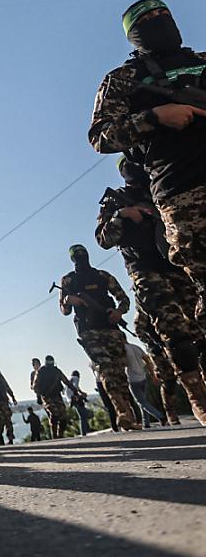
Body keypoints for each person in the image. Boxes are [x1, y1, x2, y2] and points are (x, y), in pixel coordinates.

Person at [88, 0, 206, 389]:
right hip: (183, 192)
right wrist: (156, 117)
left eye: (164, 14)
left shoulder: (202, 61)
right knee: (179, 324)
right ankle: (194, 388)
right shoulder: (124, 78)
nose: (160, 21)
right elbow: (101, 136)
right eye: (148, 19)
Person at [95, 155, 206, 425]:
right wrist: (122, 215)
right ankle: (197, 396)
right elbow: (103, 239)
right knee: (173, 330)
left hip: (176, 265)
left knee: (198, 328)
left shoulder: (160, 187)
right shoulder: (115, 200)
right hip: (144, 270)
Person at [57, 245, 140, 430]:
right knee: (106, 368)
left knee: (119, 371)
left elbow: (123, 299)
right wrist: (68, 300)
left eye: (82, 254)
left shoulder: (102, 276)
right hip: (88, 330)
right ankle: (122, 412)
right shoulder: (68, 280)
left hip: (110, 327)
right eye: (76, 256)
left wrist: (118, 312)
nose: (80, 259)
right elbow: (64, 310)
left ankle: (129, 415)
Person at [137, 312, 183, 425]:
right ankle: (171, 413)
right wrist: (153, 344)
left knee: (189, 375)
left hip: (176, 344)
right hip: (159, 352)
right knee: (168, 381)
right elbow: (139, 331)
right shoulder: (143, 312)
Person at [33, 355, 82, 438]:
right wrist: (39, 396)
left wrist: (74, 390)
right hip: (47, 396)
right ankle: (55, 436)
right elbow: (35, 385)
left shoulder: (56, 371)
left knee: (63, 416)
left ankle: (60, 435)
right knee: (54, 414)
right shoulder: (41, 371)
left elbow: (65, 381)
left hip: (57, 395)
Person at [125, 339, 164, 428]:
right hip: (143, 377)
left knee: (141, 402)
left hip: (132, 378)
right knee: (144, 401)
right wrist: (152, 374)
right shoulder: (136, 347)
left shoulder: (123, 349)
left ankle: (160, 416)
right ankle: (146, 422)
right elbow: (147, 360)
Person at [68, 371, 92, 436]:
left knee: (83, 413)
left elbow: (77, 388)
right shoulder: (76, 378)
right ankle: (84, 431)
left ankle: (86, 429)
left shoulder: (69, 380)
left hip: (70, 399)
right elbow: (75, 388)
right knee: (83, 415)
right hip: (74, 398)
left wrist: (82, 393)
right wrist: (80, 396)